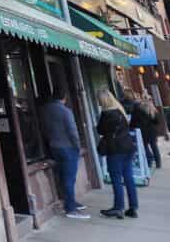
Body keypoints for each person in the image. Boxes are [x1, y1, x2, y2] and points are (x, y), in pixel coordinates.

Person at [39, 86, 88, 219]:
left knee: (62, 176)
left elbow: (43, 129)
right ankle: (70, 208)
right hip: (68, 148)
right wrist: (78, 146)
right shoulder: (66, 111)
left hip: (54, 146)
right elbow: (73, 131)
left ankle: (70, 201)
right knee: (69, 178)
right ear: (64, 98)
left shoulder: (45, 110)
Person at [96, 89, 138, 219]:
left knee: (116, 178)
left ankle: (118, 207)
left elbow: (100, 130)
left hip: (115, 150)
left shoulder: (106, 114)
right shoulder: (120, 111)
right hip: (128, 147)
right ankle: (133, 207)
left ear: (102, 100)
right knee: (129, 177)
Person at [129, 92, 161, 169]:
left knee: (145, 147)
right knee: (154, 147)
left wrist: (131, 127)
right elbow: (157, 122)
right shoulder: (153, 109)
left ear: (142, 99)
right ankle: (158, 163)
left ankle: (149, 162)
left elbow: (134, 120)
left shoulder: (138, 108)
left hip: (143, 132)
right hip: (152, 131)